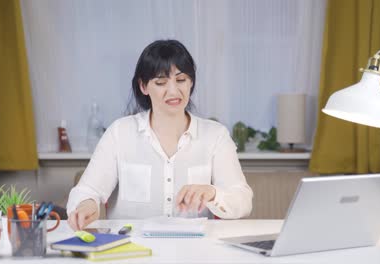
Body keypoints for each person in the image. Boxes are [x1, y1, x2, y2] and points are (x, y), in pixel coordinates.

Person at [67, 39, 253, 231]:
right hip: (131, 252)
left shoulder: (215, 136)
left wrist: (213, 193)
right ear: (143, 86)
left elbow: (243, 200)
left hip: (196, 252)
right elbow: (87, 190)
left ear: (191, 83)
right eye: (161, 82)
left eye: (181, 80)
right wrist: (86, 203)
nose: (174, 91)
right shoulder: (120, 133)